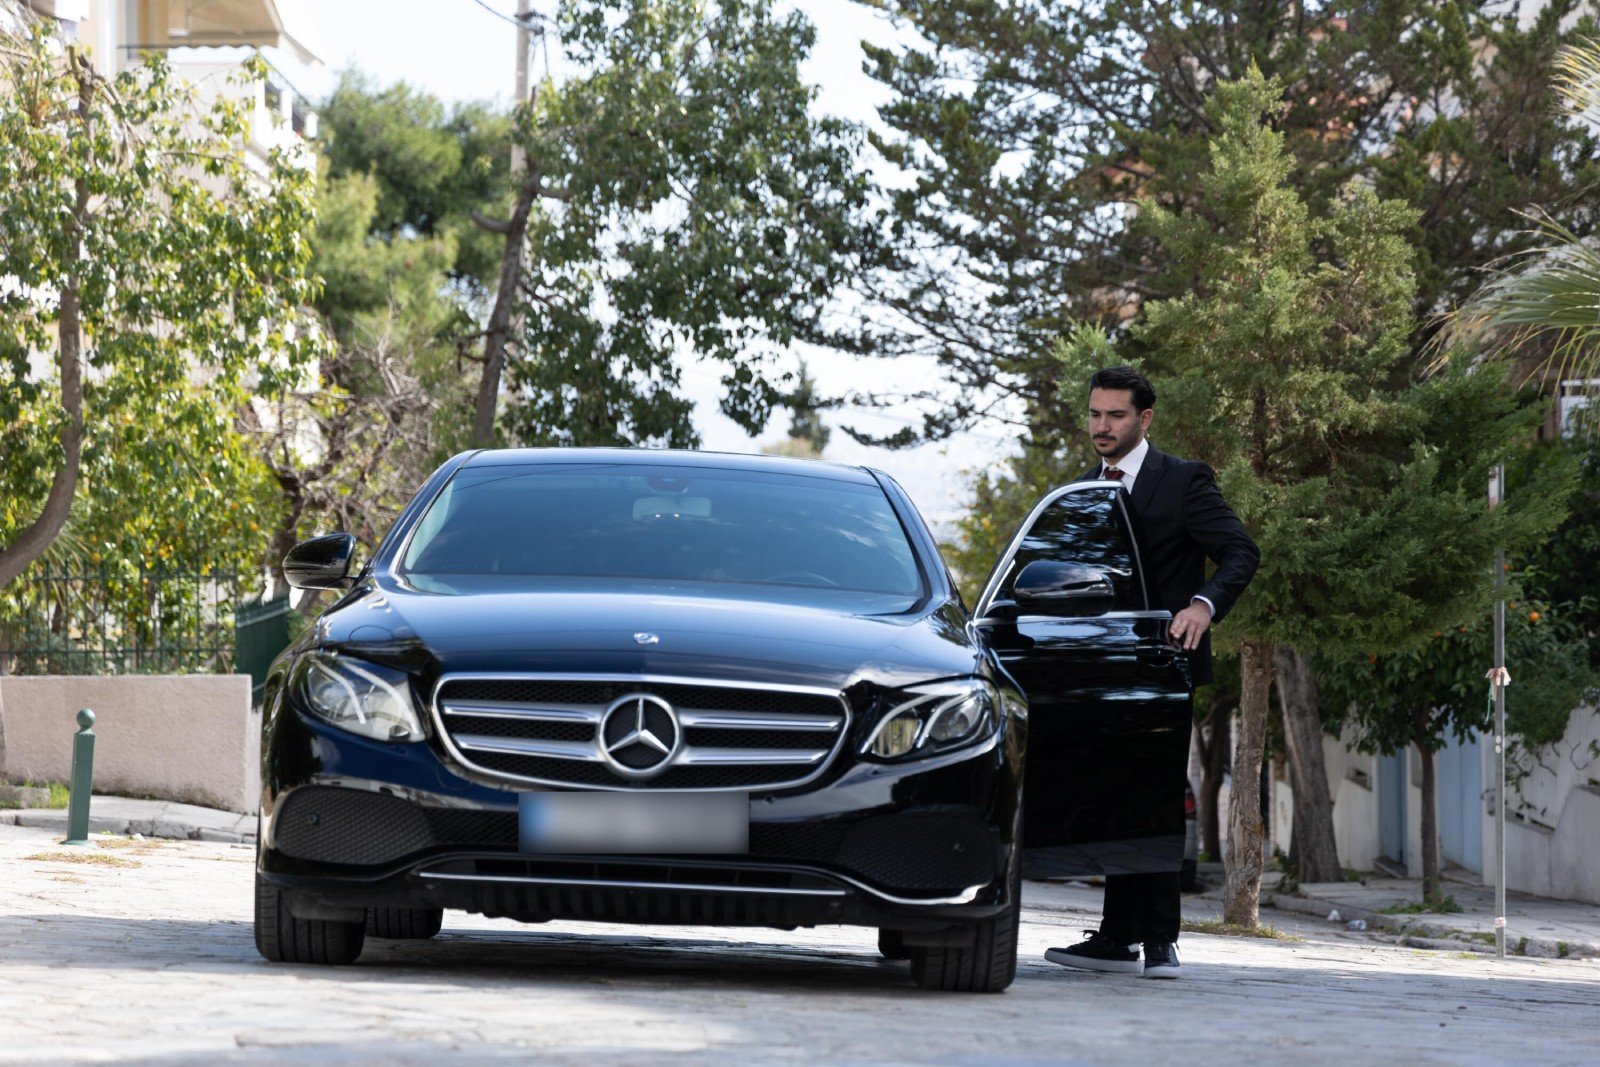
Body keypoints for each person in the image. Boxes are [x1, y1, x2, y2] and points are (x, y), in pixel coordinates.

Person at [1044, 365, 1258, 980]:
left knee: (1156, 796)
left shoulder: (1183, 480)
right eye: (1094, 414)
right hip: (1100, 670)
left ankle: (1161, 941)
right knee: (1117, 799)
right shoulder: (1081, 491)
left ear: (1144, 418)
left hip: (1162, 666)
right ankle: (1117, 937)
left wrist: (1203, 605)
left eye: (1115, 415)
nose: (1101, 426)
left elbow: (1241, 551)